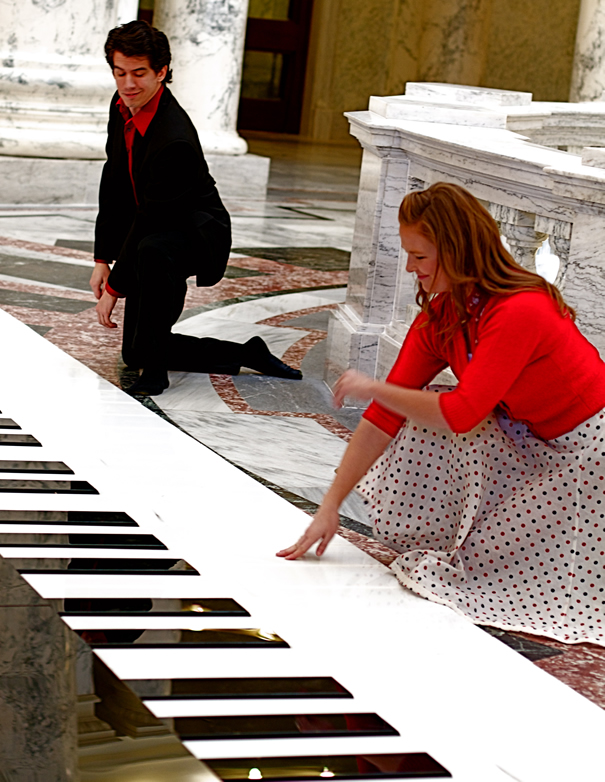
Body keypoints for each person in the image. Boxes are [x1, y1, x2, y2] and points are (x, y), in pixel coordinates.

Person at [278, 181, 605, 647]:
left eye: (420, 256)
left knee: (439, 410)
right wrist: (328, 507)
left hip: (591, 453)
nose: (410, 268)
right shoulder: (444, 315)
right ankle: (457, 535)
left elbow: (462, 413)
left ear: (456, 250)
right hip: (533, 442)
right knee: (417, 404)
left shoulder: (522, 309)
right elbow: (384, 416)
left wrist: (375, 386)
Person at [90, 20, 302, 396]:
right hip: (157, 228)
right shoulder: (121, 105)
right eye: (120, 73)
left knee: (152, 249)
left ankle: (156, 374)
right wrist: (102, 258)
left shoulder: (174, 138)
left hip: (196, 232)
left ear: (161, 72)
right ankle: (246, 353)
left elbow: (150, 218)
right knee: (135, 351)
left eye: (139, 73)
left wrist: (115, 287)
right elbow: (116, 180)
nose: (128, 84)